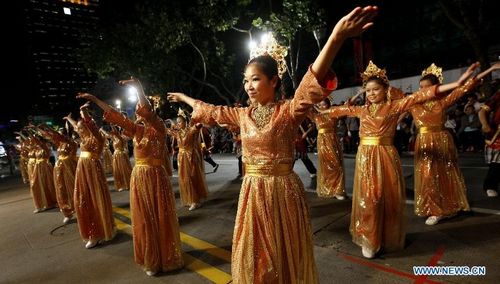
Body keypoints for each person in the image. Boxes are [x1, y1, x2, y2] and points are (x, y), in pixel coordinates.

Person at [167, 6, 377, 283]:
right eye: (246, 81)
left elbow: (312, 79)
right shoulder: (240, 115)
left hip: (283, 191)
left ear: (273, 81)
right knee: (257, 255)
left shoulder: (289, 111)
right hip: (253, 192)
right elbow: (211, 110)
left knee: (283, 251)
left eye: (255, 79)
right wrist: (185, 98)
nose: (249, 86)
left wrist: (336, 37)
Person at [321, 60, 480, 259]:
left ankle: (385, 237)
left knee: (386, 199)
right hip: (365, 158)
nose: (371, 94)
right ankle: (370, 238)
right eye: (368, 90)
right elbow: (336, 110)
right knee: (368, 198)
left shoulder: (395, 107)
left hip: (386, 156)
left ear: (385, 90)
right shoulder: (361, 111)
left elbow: (423, 94)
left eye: (375, 89)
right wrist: (319, 110)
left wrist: (458, 83)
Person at [77, 78, 184, 276]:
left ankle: (165, 256)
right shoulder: (136, 130)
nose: (138, 109)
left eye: (141, 106)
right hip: (139, 178)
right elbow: (114, 114)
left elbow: (146, 108)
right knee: (144, 218)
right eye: (137, 107)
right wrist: (93, 99)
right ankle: (151, 257)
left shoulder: (158, 127)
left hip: (156, 177)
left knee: (159, 216)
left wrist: (138, 88)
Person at [408, 63, 500, 225]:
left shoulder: (442, 102)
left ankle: (444, 208)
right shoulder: (414, 103)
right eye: (421, 87)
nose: (423, 90)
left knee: (443, 174)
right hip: (423, 142)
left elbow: (465, 86)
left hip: (441, 140)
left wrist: (490, 70)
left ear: (437, 87)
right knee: (427, 176)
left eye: (427, 87)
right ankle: (433, 207)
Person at [64, 103, 116, 249]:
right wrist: (70, 119)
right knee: (82, 199)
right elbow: (77, 126)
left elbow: (90, 126)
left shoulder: (97, 137)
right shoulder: (83, 136)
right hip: (82, 169)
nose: (78, 130)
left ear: (87, 127)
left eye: (81, 128)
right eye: (78, 128)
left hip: (93, 170)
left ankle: (99, 232)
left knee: (95, 199)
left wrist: (84, 113)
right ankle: (92, 232)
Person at [166, 110, 208, 211]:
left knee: (191, 177)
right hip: (182, 157)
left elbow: (199, 125)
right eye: (177, 122)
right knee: (184, 179)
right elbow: (167, 131)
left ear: (185, 122)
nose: (178, 124)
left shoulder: (191, 130)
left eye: (180, 122)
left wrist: (197, 118)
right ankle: (191, 198)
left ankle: (195, 201)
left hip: (191, 157)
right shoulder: (178, 133)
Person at [37, 124, 78, 224]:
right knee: (61, 189)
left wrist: (49, 128)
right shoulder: (60, 144)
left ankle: (80, 209)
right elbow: (50, 137)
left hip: (70, 168)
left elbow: (56, 136)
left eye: (61, 133)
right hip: (59, 169)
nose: (59, 135)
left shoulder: (72, 143)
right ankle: (67, 212)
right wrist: (38, 130)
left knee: (74, 189)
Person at [310, 97, 345, 199]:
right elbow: (304, 109)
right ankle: (328, 189)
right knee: (325, 166)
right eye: (319, 105)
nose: (321, 107)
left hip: (333, 141)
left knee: (336, 165)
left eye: (323, 104)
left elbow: (345, 107)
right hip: (322, 142)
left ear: (328, 105)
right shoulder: (315, 116)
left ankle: (338, 190)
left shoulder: (333, 113)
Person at [478, 76, 500, 197]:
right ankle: (490, 186)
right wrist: (485, 124)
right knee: (497, 163)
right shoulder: (498, 95)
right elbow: (482, 111)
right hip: (497, 133)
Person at [100, 126, 132, 191]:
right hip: (116, 156)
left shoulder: (121, 138)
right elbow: (107, 135)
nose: (112, 132)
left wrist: (112, 125)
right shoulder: (113, 138)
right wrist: (101, 130)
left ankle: (127, 184)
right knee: (118, 170)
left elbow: (116, 133)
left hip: (122, 155)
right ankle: (121, 185)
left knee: (123, 169)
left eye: (113, 131)